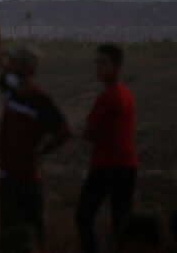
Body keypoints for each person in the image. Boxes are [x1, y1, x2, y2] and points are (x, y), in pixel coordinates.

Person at [0, 0, 72, 249]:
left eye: (14, 61)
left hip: (26, 181)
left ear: (26, 67)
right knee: (12, 236)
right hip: (10, 178)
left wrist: (41, 150)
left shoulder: (38, 99)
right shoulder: (13, 88)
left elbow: (65, 131)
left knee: (31, 237)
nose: (8, 63)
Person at [75, 43, 137, 253]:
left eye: (104, 63)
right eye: (97, 63)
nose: (99, 68)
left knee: (83, 217)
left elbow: (90, 132)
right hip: (126, 165)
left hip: (106, 166)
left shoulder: (107, 97)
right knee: (121, 222)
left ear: (117, 66)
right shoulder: (125, 94)